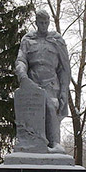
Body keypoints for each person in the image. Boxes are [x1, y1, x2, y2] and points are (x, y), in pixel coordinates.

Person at [15, 9, 71, 153]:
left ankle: (54, 144)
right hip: (32, 82)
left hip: (51, 83)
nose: (44, 25)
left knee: (51, 106)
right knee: (31, 113)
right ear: (36, 23)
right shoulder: (28, 39)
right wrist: (21, 73)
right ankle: (31, 144)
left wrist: (64, 91)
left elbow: (64, 68)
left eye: (46, 22)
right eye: (41, 22)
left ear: (49, 22)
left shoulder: (57, 40)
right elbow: (21, 59)